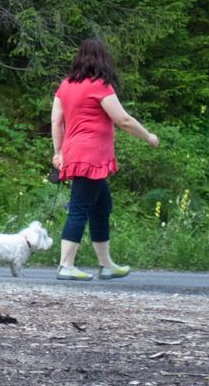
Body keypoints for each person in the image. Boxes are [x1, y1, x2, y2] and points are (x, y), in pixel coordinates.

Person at [50, 37, 158, 280]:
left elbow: (57, 121)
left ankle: (105, 264)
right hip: (92, 157)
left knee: (101, 208)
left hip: (76, 154)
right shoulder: (99, 85)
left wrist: (59, 153)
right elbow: (124, 120)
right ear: (103, 60)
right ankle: (66, 265)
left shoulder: (65, 85)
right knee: (79, 209)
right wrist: (149, 137)